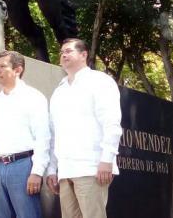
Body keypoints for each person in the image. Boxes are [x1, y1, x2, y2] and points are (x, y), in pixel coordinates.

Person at [46, 39, 122, 218]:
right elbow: (54, 133)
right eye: (62, 52)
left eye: (69, 51)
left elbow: (111, 123)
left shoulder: (99, 81)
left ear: (83, 55)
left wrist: (106, 160)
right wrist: (52, 169)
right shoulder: (59, 91)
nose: (64, 55)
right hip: (66, 170)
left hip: (91, 167)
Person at [0, 50, 50, 218]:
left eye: (3, 66)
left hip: (23, 166)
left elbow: (43, 137)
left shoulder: (33, 97)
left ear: (18, 70)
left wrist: (37, 172)